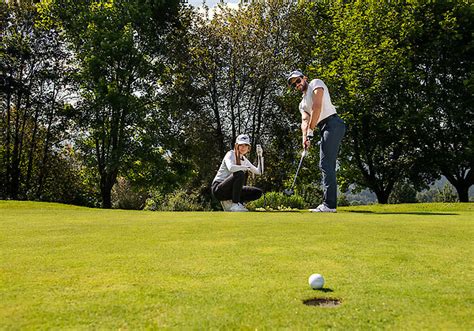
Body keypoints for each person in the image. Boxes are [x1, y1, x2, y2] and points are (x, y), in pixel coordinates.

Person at [287, 70, 346, 212]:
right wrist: (305, 138)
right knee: (325, 163)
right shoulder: (302, 104)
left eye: (298, 81)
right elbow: (305, 121)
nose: (297, 85)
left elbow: (317, 107)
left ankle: (329, 205)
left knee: (325, 163)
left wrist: (311, 131)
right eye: (294, 84)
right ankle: (329, 204)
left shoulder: (315, 83)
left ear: (304, 78)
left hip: (333, 123)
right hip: (323, 127)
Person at [212, 134, 264, 212]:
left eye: (246, 145)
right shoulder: (230, 154)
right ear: (237, 146)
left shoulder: (244, 160)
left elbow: (259, 172)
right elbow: (231, 168)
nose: (243, 147)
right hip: (218, 189)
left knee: (258, 192)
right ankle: (235, 204)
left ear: (248, 148)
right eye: (241, 145)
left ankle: (238, 203)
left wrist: (260, 155)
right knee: (239, 173)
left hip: (230, 191)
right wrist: (244, 168)